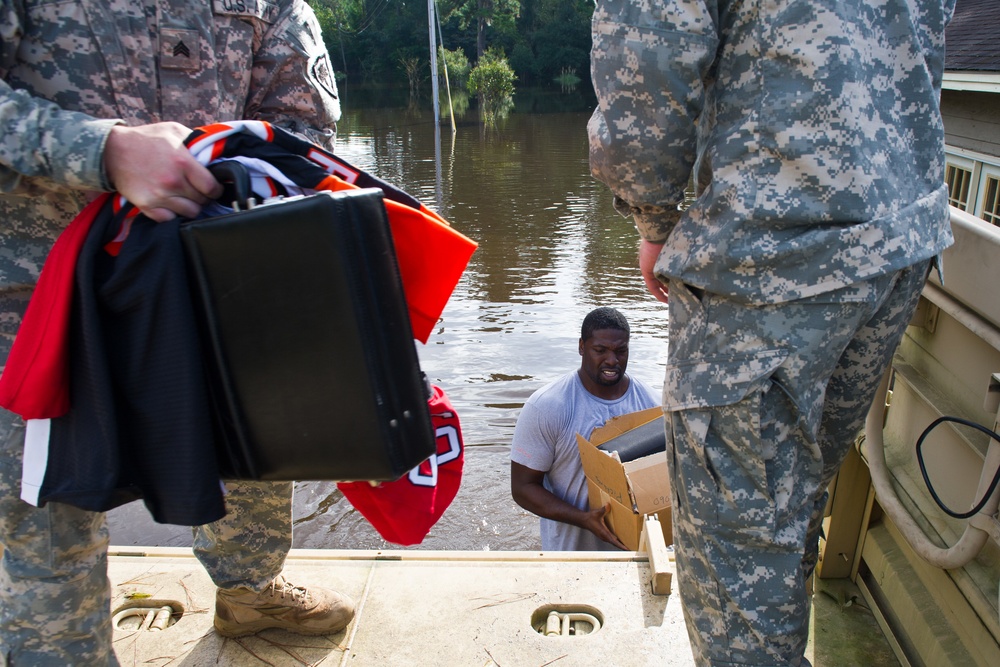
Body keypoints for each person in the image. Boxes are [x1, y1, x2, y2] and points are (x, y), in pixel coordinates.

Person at [588, 0, 955, 664]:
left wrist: (655, 218)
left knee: (740, 562)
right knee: (792, 505)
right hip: (899, 242)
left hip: (770, 261)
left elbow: (649, 56)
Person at [0, 1, 355, 664]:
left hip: (216, 272)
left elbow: (300, 125)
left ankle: (251, 589)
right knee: (49, 508)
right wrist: (102, 150)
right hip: (37, 284)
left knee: (259, 441)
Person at [510, 307, 660, 551]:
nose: (612, 360)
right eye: (600, 351)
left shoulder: (652, 405)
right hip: (571, 555)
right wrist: (584, 519)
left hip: (634, 555)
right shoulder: (547, 407)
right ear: (582, 347)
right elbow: (522, 488)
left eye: (620, 351)